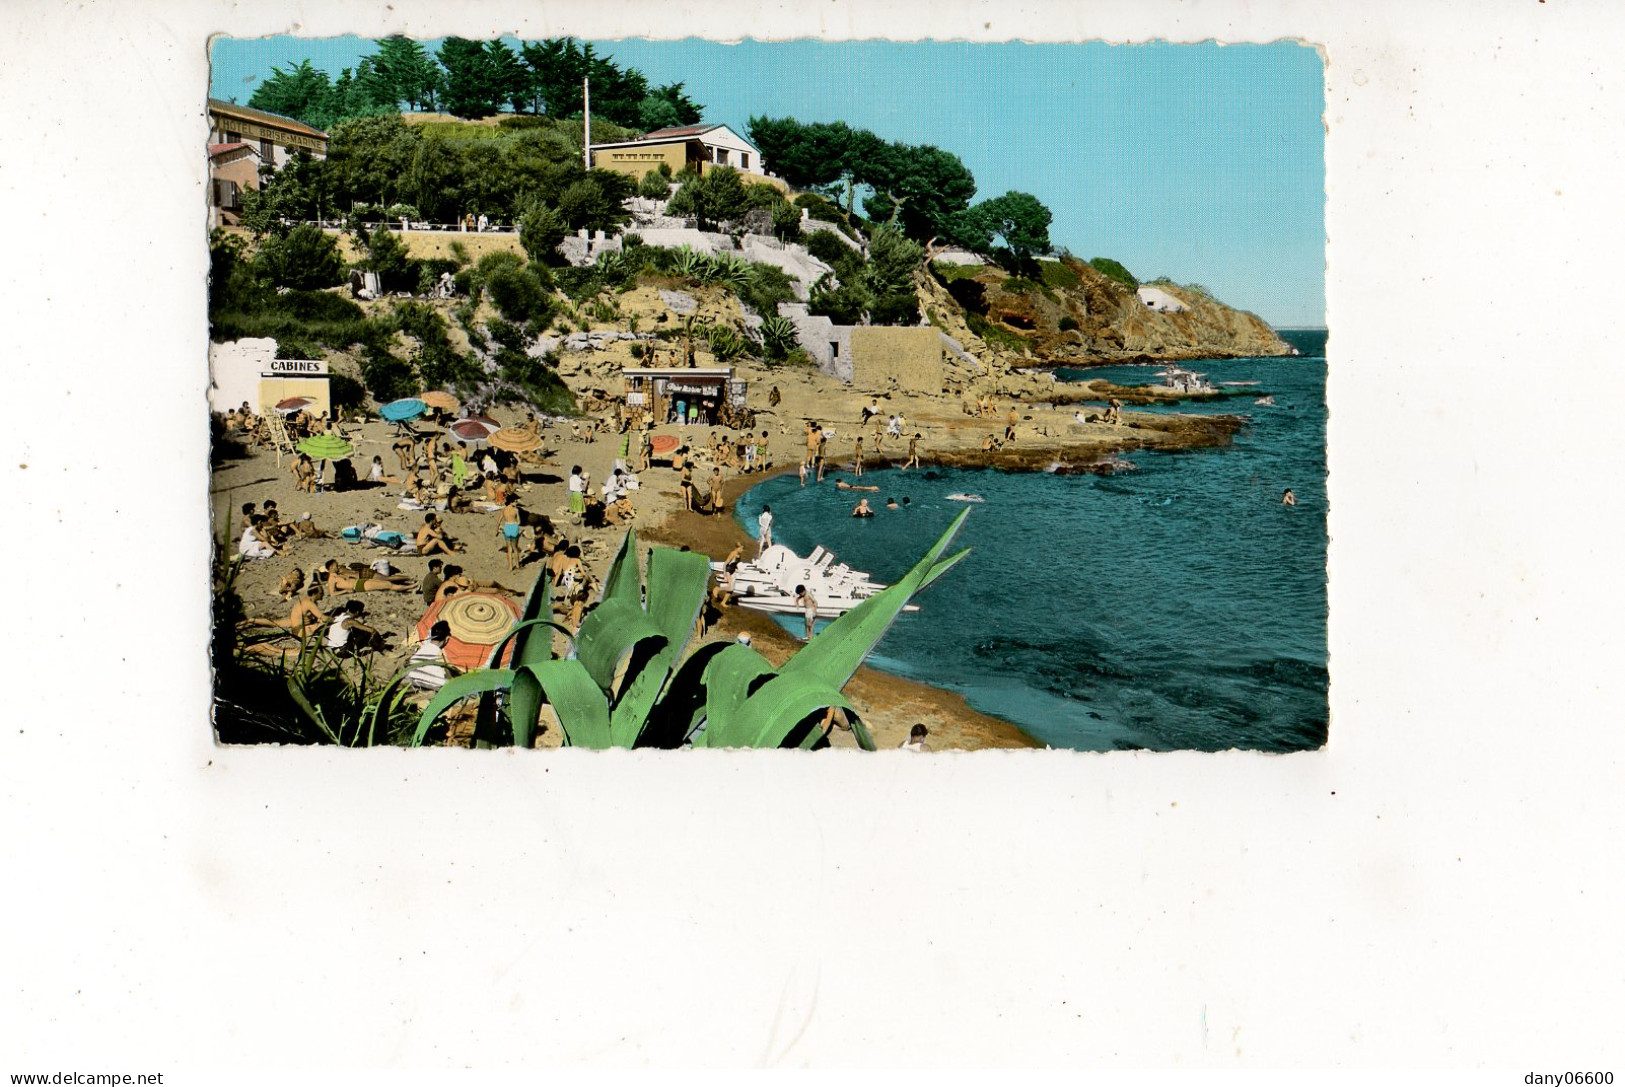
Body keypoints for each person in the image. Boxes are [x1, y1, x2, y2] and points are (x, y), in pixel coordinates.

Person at [242, 584, 326, 637]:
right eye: (321, 593)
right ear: (315, 594)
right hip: (299, 629)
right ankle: (251, 620)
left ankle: (251, 620)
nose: (323, 595)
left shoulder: (304, 601)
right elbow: (323, 618)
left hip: (294, 623)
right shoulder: (310, 604)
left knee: (275, 623)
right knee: (323, 626)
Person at [320, 558, 415, 594]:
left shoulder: (337, 574)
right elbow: (332, 593)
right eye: (336, 565)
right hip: (358, 584)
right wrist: (345, 590)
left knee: (386, 582)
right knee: (387, 584)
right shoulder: (332, 578)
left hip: (360, 580)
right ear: (331, 567)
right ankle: (410, 586)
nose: (338, 566)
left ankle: (410, 586)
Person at [406, 620, 453, 691]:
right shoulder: (439, 657)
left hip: (412, 683)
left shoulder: (420, 652)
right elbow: (441, 683)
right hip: (432, 687)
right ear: (446, 639)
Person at [435, 565, 521, 601]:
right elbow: (465, 592)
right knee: (495, 590)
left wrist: (471, 583)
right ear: (453, 575)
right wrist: (471, 586)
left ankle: (506, 589)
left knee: (492, 582)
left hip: (472, 586)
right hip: (472, 590)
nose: (460, 575)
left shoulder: (454, 580)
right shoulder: (450, 584)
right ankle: (508, 593)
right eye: (458, 574)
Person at [497, 493, 523, 569]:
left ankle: (510, 567)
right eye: (515, 501)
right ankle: (517, 565)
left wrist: (497, 531)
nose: (516, 503)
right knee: (515, 548)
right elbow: (518, 522)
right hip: (514, 527)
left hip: (507, 527)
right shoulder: (515, 510)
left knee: (509, 549)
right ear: (511, 501)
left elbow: (499, 521)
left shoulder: (504, 509)